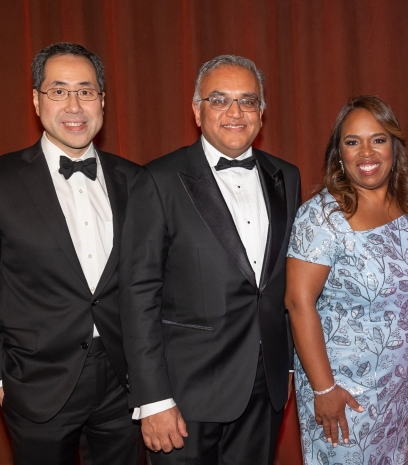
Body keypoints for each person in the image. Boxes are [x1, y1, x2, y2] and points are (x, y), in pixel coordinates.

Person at [0, 43, 142, 464]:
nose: (74, 105)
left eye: (86, 91)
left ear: (103, 101)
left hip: (124, 383)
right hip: (35, 384)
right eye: (58, 91)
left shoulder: (136, 180)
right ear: (37, 100)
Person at [119, 55, 301, 464]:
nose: (235, 113)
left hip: (263, 388)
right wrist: (153, 399)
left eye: (247, 101)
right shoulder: (158, 180)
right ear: (197, 111)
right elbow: (137, 295)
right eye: (219, 100)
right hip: (185, 394)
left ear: (262, 112)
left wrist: (285, 368)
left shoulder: (285, 176)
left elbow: (281, 285)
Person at [285, 95, 408, 465]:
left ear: (395, 147)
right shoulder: (322, 216)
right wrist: (324, 388)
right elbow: (297, 302)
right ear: (340, 153)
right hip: (342, 392)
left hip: (398, 390)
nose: (366, 152)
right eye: (352, 142)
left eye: (378, 139)